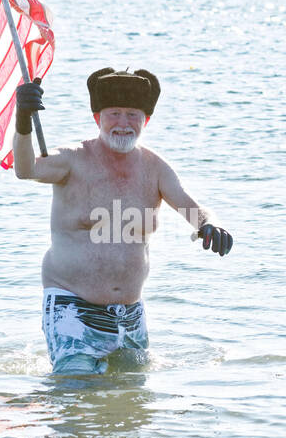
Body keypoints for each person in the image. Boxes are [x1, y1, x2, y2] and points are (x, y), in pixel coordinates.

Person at [12, 67, 233, 375]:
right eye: (114, 113)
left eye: (132, 114)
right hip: (72, 306)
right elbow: (25, 169)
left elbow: (192, 207)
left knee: (133, 402)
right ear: (97, 118)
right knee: (76, 388)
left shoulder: (154, 167)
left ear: (146, 120)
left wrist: (210, 226)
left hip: (130, 314)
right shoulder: (72, 159)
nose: (123, 124)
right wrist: (23, 119)